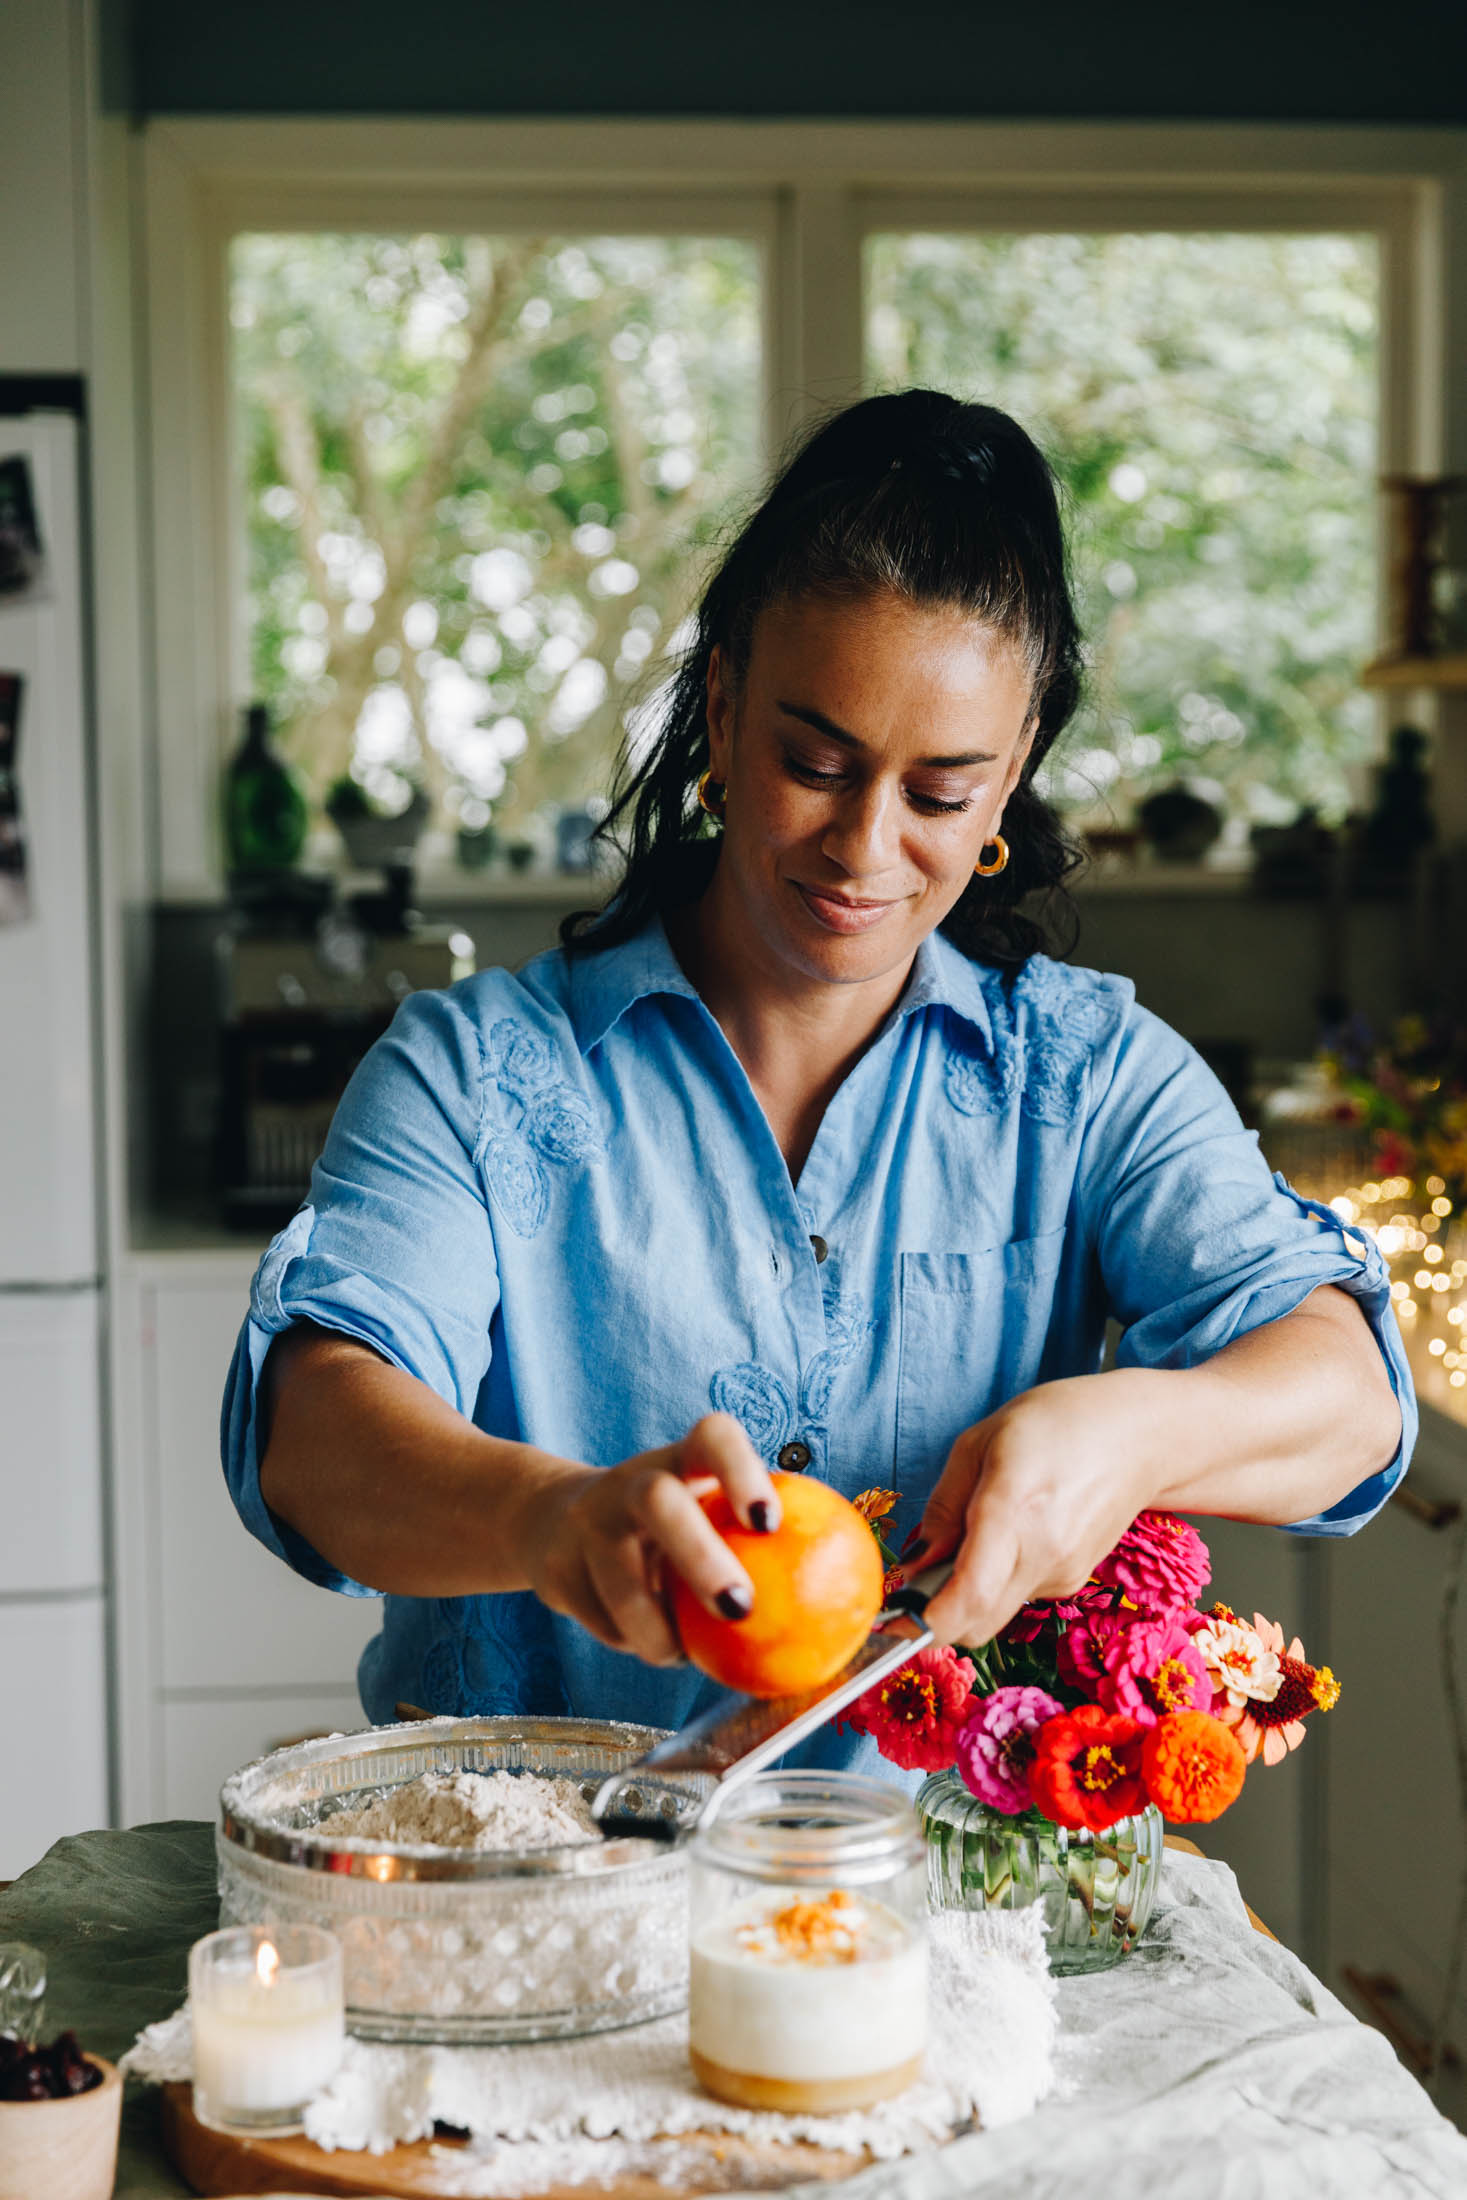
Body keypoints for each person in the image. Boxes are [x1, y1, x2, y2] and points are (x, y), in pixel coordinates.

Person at [223, 388, 1412, 1780]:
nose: (863, 848)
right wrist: (552, 1517)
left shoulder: (1084, 1081)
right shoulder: (475, 1070)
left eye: (940, 791)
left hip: (928, 1943)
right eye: (816, 762)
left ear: (1011, 778)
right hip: (529, 1905)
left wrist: (1139, 1427)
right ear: (720, 714)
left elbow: (1352, 1403)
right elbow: (311, 1429)